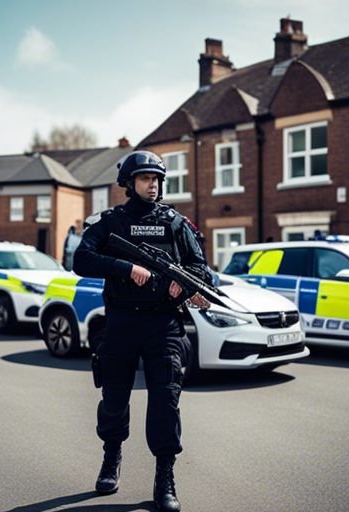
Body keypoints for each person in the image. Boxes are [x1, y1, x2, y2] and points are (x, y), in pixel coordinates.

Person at [73, 150, 211, 512]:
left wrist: (185, 285)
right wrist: (124, 267)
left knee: (166, 401)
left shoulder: (176, 223)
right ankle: (111, 458)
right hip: (120, 323)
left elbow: (201, 269)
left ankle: (164, 477)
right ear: (129, 184)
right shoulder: (110, 223)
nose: (153, 184)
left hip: (163, 325)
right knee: (115, 398)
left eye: (157, 179)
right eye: (146, 179)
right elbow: (81, 259)